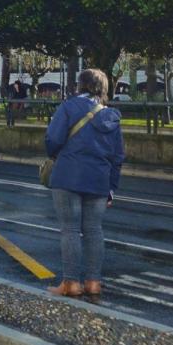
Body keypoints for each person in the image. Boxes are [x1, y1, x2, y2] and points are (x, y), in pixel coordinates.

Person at [44, 68, 125, 297]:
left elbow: (53, 139)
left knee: (69, 229)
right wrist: (112, 187)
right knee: (94, 230)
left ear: (80, 85)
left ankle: (71, 283)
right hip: (99, 180)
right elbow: (118, 155)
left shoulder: (69, 107)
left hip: (68, 176)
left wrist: (55, 155)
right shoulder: (110, 116)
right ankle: (93, 282)